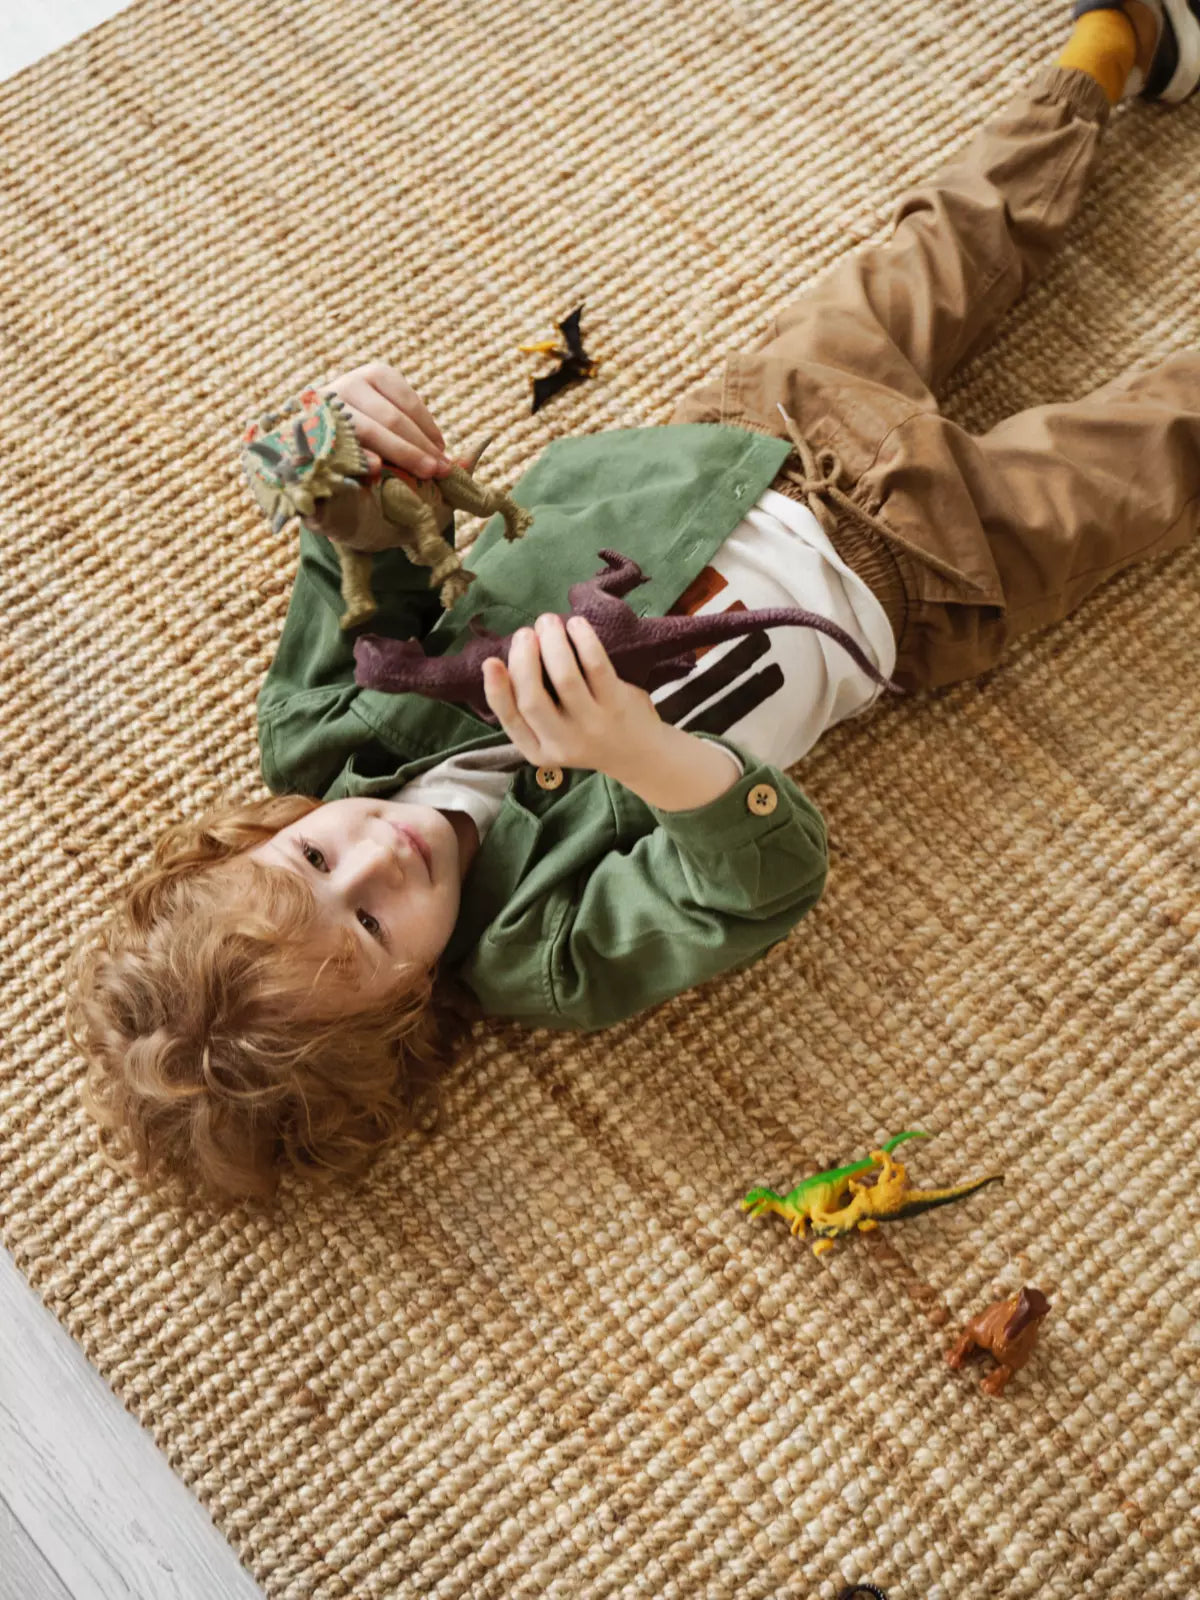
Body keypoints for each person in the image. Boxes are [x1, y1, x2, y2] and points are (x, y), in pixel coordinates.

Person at [64, 3, 1200, 1206]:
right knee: (1159, 451)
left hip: (737, 434)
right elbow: (757, 883)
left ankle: (1109, 51)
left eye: (311, 856)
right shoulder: (544, 955)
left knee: (956, 235)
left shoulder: (318, 734)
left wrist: (332, 445)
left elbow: (368, 555)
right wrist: (640, 754)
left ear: (257, 833)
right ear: (403, 1014)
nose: (375, 858)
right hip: (918, 576)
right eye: (371, 930)